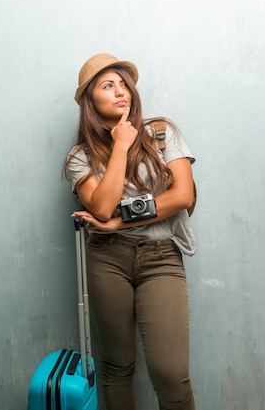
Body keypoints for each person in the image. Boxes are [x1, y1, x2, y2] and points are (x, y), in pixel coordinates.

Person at [64, 53, 196, 410]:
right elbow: (101, 208)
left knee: (170, 373)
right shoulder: (81, 157)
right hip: (108, 259)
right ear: (90, 100)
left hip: (161, 257)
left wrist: (121, 222)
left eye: (125, 84)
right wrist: (121, 143)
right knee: (117, 367)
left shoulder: (161, 133)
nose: (121, 91)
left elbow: (183, 195)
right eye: (108, 86)